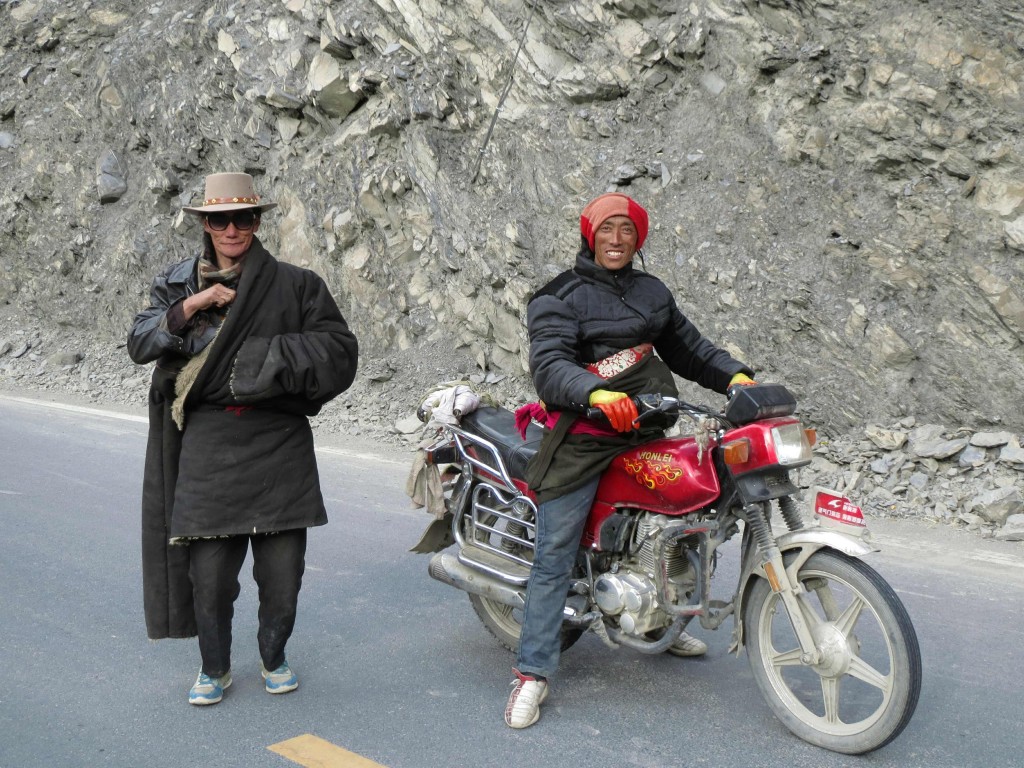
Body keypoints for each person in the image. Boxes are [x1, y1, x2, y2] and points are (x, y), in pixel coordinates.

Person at [505, 192, 756, 728]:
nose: (616, 239)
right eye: (607, 229)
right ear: (589, 234)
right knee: (555, 549)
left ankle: (658, 618)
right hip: (587, 434)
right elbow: (549, 365)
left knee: (680, 521)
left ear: (638, 238)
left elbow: (689, 350)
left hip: (646, 424)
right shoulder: (558, 295)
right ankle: (532, 673)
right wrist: (593, 394)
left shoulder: (651, 292)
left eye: (627, 230)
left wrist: (736, 375)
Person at [127, 172, 358, 706]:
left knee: (283, 575)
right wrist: (192, 305)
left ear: (257, 222)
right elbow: (139, 341)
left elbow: (339, 350)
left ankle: (274, 657)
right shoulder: (177, 282)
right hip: (208, 444)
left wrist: (260, 361)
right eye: (219, 219)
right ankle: (215, 670)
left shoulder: (297, 285)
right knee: (209, 579)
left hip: (279, 440)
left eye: (244, 218)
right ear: (205, 224)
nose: (232, 229)